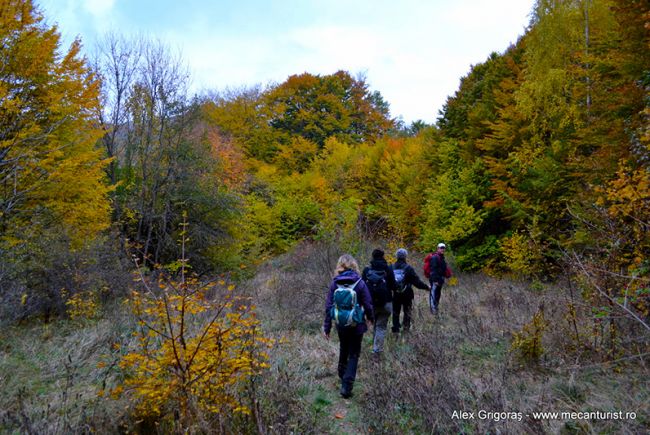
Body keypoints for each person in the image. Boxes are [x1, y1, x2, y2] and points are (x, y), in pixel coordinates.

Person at [323, 254, 374, 399]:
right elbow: (368, 303)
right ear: (354, 265)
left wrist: (327, 327)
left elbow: (328, 307)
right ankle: (347, 386)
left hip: (341, 324)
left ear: (340, 265)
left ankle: (341, 373)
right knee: (354, 354)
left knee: (343, 348)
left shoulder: (335, 283)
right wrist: (371, 318)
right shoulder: (360, 282)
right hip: (357, 324)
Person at [362, 248, 395, 355]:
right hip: (386, 302)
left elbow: (362, 287)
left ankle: (375, 347)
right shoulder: (388, 269)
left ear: (372, 256)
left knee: (376, 324)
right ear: (383, 256)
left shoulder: (367, 270)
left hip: (371, 303)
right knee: (381, 326)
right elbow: (393, 285)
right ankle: (377, 350)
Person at [391, 248, 430, 333]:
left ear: (396, 256)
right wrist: (426, 287)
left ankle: (395, 330)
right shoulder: (408, 268)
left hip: (395, 294)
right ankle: (406, 330)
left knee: (395, 312)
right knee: (407, 312)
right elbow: (417, 282)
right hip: (407, 294)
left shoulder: (391, 267)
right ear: (405, 256)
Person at [428, 242, 450, 314]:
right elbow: (433, 270)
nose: (443, 249)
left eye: (444, 248)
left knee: (437, 295)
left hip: (440, 279)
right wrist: (435, 280)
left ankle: (435, 309)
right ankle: (433, 311)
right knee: (433, 295)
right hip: (435, 280)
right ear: (438, 248)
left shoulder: (441, 257)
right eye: (441, 248)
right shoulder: (435, 257)